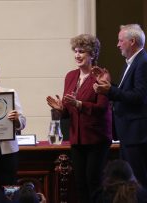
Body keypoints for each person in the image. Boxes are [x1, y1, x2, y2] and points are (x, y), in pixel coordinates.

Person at [93, 24, 147, 193]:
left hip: (137, 132)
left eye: (120, 40)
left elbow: (138, 97)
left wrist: (110, 90)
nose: (117, 44)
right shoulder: (132, 62)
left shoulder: (143, 63)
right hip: (130, 131)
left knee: (138, 180)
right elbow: (126, 93)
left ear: (132, 41)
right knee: (129, 181)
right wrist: (109, 85)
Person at [46, 34, 112, 203]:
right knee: (80, 184)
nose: (77, 55)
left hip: (96, 139)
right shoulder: (70, 76)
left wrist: (79, 104)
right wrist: (61, 109)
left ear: (92, 54)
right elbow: (69, 110)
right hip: (76, 138)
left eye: (81, 51)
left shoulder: (101, 75)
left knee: (94, 182)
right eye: (75, 51)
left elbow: (102, 108)